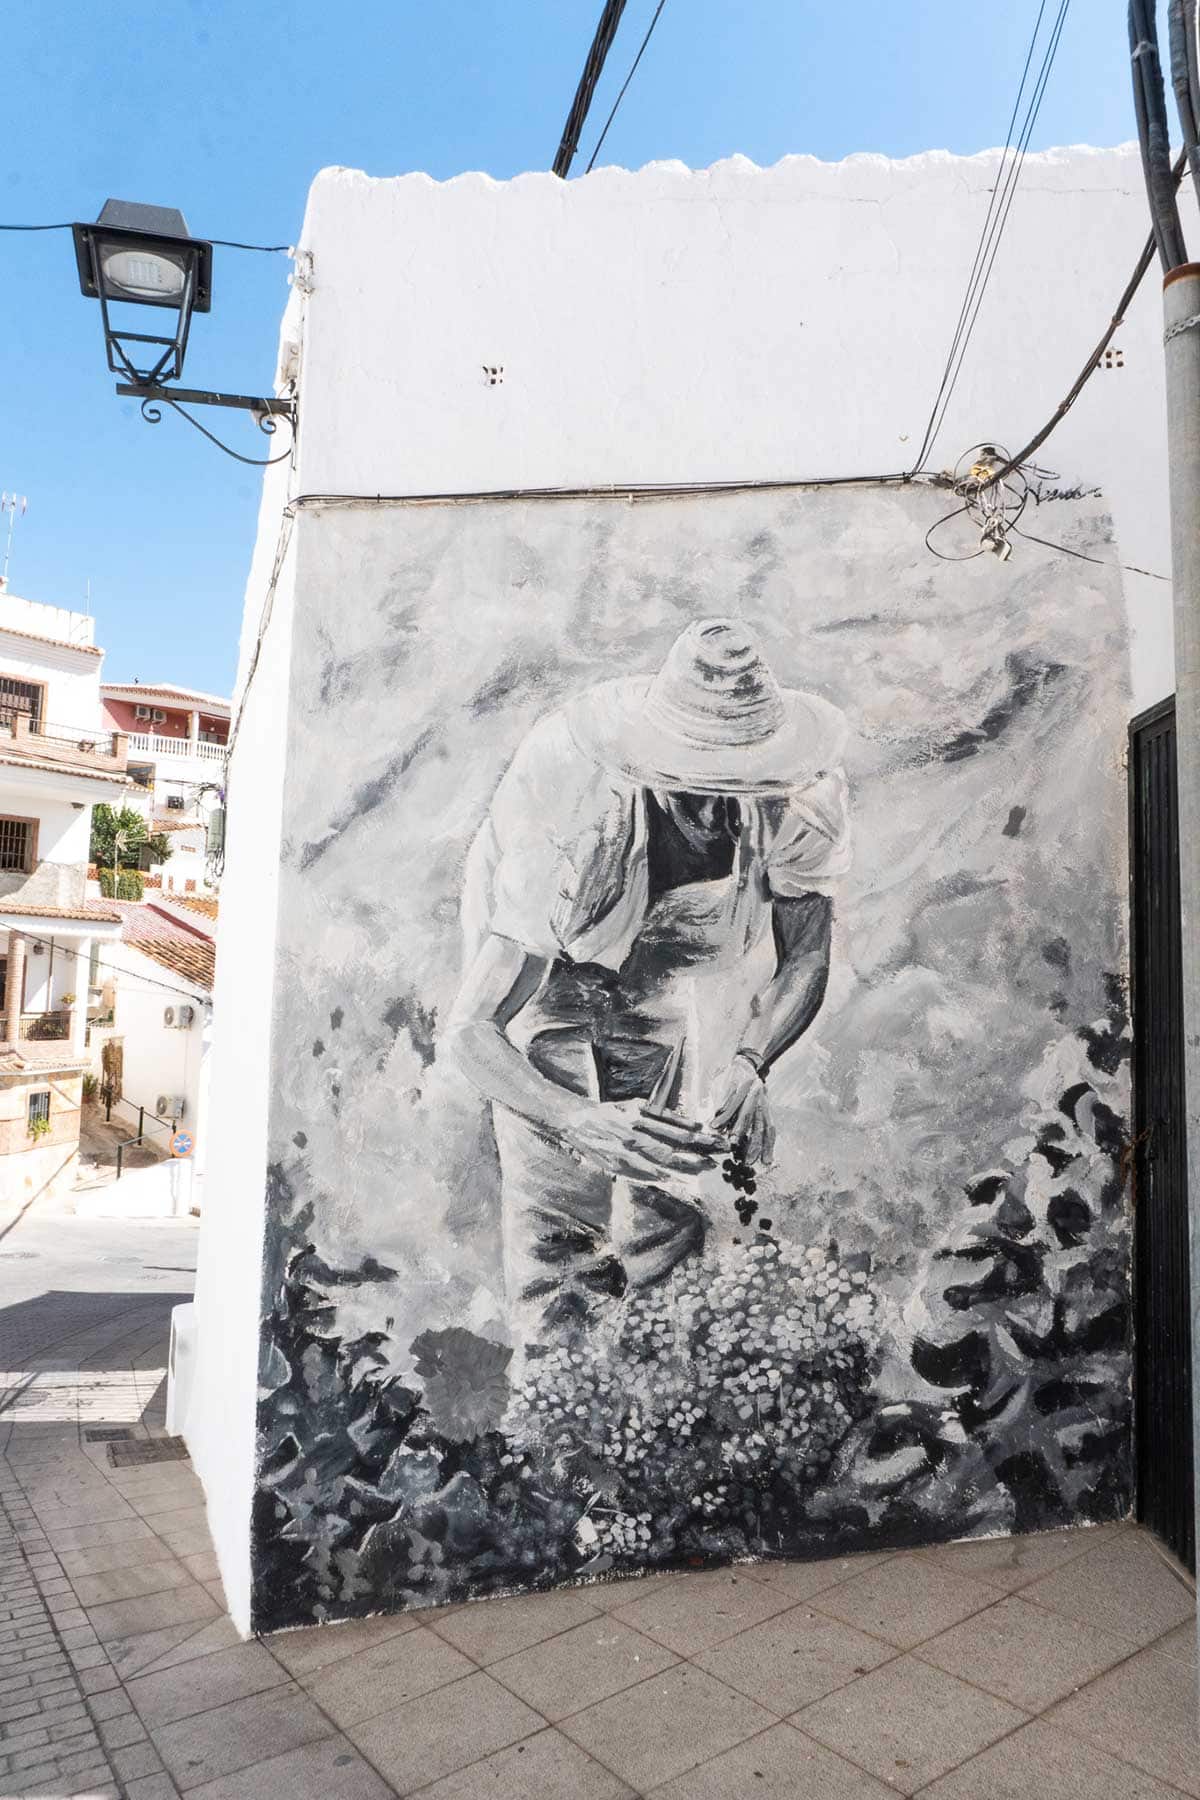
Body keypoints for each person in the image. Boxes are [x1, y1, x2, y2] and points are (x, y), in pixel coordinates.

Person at [448, 617, 850, 1350]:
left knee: (670, 1224)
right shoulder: (573, 816)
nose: (715, 810)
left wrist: (751, 1061)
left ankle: (660, 1415)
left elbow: (806, 957)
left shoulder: (802, 795)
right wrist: (573, 1119)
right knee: (563, 1251)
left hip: (666, 989)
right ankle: (560, 1423)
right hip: (547, 985)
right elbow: (472, 1030)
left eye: (737, 785)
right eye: (695, 785)